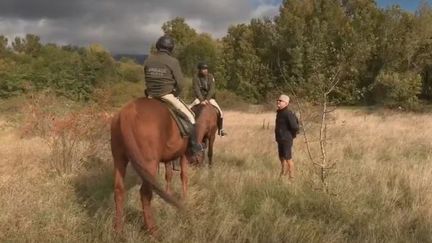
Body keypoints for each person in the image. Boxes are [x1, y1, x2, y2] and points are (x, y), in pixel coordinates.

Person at [143, 35, 203, 155]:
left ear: (158, 46)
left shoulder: (148, 60)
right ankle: (194, 147)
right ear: (171, 48)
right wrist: (175, 93)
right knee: (191, 116)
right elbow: (180, 83)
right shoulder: (173, 61)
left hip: (150, 96)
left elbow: (147, 78)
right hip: (166, 95)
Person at [189, 62, 227, 136]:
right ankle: (189, 129)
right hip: (199, 99)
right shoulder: (195, 78)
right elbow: (196, 89)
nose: (205, 70)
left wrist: (207, 99)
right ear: (199, 70)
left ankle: (221, 129)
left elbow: (212, 89)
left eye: (206, 69)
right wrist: (201, 100)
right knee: (189, 109)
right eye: (203, 69)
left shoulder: (210, 77)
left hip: (210, 99)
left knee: (220, 112)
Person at [275, 94, 299, 179]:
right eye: (278, 100)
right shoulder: (279, 112)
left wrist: (290, 136)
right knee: (281, 157)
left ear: (286, 103)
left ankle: (291, 177)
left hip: (286, 140)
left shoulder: (288, 113)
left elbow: (295, 127)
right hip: (280, 140)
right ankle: (283, 173)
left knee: (288, 158)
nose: (278, 102)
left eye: (280, 101)